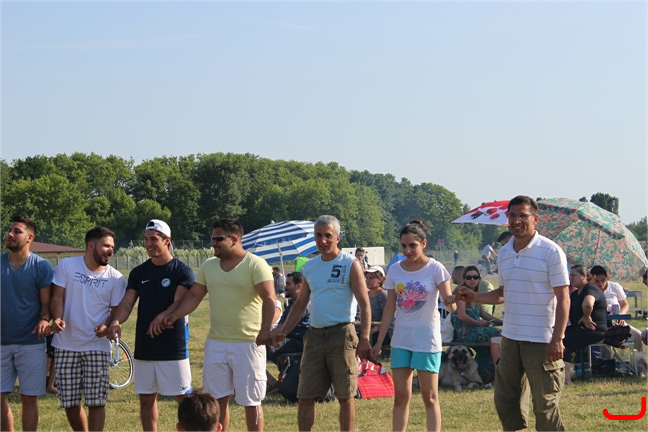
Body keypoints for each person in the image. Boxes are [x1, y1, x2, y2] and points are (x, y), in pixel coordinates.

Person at [454, 195, 569, 431]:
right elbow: (502, 293)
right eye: (512, 215)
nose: (517, 221)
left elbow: (563, 298)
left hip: (541, 339)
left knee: (544, 405)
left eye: (523, 216)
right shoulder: (505, 253)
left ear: (535, 219)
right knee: (506, 401)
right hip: (511, 336)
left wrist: (557, 338)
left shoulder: (550, 251)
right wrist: (474, 296)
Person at [158, 218, 275, 432]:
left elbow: (269, 298)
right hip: (216, 343)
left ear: (234, 239)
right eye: (213, 238)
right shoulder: (208, 266)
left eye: (218, 239)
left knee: (251, 400)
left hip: (248, 344)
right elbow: (194, 296)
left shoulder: (255, 264)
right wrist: (174, 315)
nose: (213, 243)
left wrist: (265, 329)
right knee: (216, 400)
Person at [272, 215, 371, 432]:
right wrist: (284, 330)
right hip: (314, 336)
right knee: (305, 395)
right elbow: (300, 304)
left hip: (342, 335)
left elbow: (365, 304)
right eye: (318, 235)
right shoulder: (310, 267)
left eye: (328, 236)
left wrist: (364, 338)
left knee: (345, 395)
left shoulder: (350, 264)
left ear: (337, 237)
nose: (323, 240)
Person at [106, 220, 195, 431]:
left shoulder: (182, 271)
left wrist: (162, 317)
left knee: (184, 399)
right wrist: (116, 321)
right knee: (146, 399)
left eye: (153, 239)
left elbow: (179, 303)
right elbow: (127, 303)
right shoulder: (139, 272)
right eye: (146, 239)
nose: (148, 244)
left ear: (167, 240)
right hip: (145, 346)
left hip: (173, 346)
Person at [371, 220, 457, 432]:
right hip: (402, 340)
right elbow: (389, 308)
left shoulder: (436, 268)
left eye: (412, 245)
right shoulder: (395, 270)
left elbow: (451, 304)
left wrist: (451, 301)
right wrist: (379, 342)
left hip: (426, 340)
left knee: (430, 397)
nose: (407, 250)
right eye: (403, 246)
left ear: (423, 244)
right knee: (401, 396)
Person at [50, 227, 127, 432]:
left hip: (97, 346)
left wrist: (108, 324)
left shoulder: (116, 277)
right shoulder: (67, 266)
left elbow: (116, 311)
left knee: (97, 401)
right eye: (106, 245)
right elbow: (56, 297)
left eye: (112, 246)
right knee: (69, 401)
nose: (110, 250)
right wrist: (57, 318)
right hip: (66, 345)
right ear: (91, 245)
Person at [1, 215, 54, 432]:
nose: (10, 234)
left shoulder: (41, 266)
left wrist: (43, 319)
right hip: (1, 343)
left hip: (31, 342)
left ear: (30, 237)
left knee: (29, 398)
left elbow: (47, 305)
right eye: (9, 230)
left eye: (17, 231)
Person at [451, 266, 502, 385]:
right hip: (466, 332)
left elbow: (484, 314)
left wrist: (502, 322)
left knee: (488, 348)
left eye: (475, 277)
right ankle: (499, 377)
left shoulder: (475, 295)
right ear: (464, 279)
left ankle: (485, 377)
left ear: (479, 279)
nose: (472, 280)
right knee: (499, 335)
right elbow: (462, 316)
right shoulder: (461, 293)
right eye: (469, 277)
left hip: (476, 329)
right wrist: (479, 323)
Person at [563, 265, 606, 384]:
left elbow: (588, 304)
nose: (571, 278)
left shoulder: (591, 289)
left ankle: (566, 379)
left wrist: (586, 316)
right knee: (560, 335)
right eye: (570, 275)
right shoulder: (575, 294)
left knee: (565, 340)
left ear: (584, 276)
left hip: (594, 329)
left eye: (574, 275)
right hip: (581, 329)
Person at [590, 265, 644, 352]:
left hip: (618, 323)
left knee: (637, 335)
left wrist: (621, 315)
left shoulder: (615, 287)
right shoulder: (591, 290)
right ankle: (606, 360)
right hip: (601, 326)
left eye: (603, 280)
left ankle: (639, 358)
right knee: (605, 343)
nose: (600, 284)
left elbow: (625, 304)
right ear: (593, 281)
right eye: (597, 281)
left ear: (606, 278)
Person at [365, 266, 393, 347]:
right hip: (370, 329)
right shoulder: (366, 295)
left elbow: (388, 317)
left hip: (384, 332)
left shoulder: (383, 295)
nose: (368, 280)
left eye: (371, 278)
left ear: (379, 280)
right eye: (367, 278)